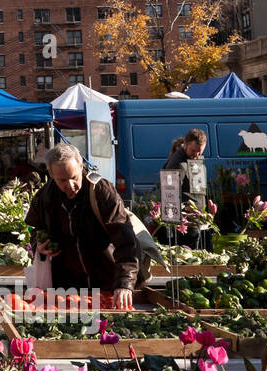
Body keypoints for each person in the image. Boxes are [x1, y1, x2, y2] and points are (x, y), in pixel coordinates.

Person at [24, 143, 139, 308]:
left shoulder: (101, 191)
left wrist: (124, 283)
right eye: (62, 180)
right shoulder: (44, 198)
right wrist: (39, 245)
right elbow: (36, 230)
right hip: (66, 287)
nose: (70, 185)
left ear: (81, 167)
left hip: (106, 282)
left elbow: (126, 241)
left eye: (74, 177)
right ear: (51, 174)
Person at [164, 129, 209, 249]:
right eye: (193, 151)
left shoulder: (195, 158)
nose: (196, 155)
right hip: (186, 224)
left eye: (200, 152)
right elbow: (169, 194)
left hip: (198, 220)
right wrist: (177, 221)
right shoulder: (177, 163)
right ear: (186, 144)